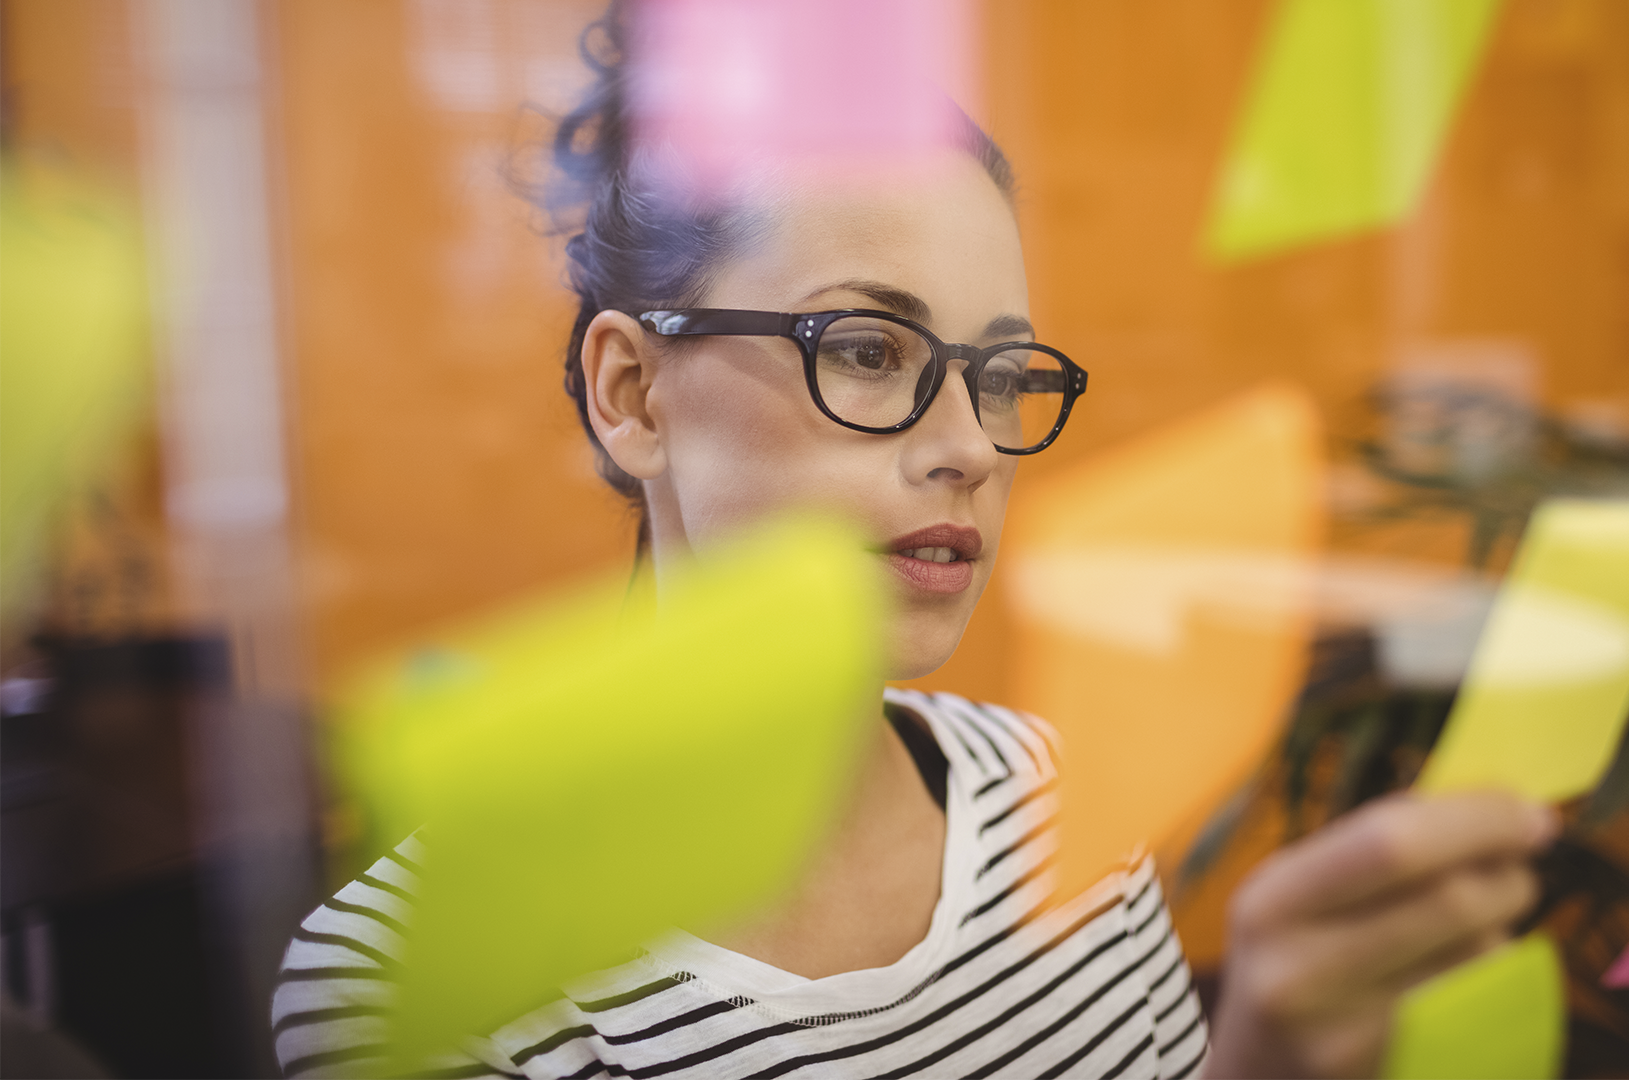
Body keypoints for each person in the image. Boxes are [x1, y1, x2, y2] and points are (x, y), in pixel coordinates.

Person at [271, 9, 1556, 1078]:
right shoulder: (412, 985)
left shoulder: (1062, 794)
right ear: (634, 394)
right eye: (868, 350)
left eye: (1000, 373)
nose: (973, 446)